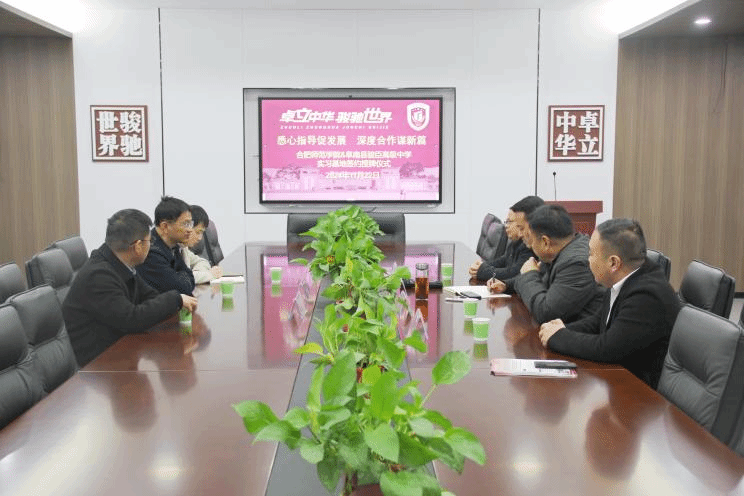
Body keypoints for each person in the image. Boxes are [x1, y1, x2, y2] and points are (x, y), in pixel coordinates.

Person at [538, 218, 680, 389]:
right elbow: (599, 321)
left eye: (591, 254)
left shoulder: (647, 295)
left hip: (640, 392)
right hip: (619, 379)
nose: (588, 260)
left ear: (613, 263)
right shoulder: (626, 276)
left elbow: (607, 349)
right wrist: (561, 329)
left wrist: (558, 337)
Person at [62, 209, 198, 367]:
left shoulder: (119, 263)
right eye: (150, 241)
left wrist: (173, 301)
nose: (151, 245)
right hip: (97, 366)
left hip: (117, 350)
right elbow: (132, 319)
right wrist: (175, 299)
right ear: (138, 246)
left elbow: (149, 295)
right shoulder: (99, 276)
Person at [490, 204, 604, 324]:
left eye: (531, 240)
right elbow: (539, 277)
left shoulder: (576, 265)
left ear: (545, 242)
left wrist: (529, 274)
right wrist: (506, 285)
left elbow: (546, 313)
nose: (529, 246)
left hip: (579, 332)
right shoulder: (560, 250)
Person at [469, 195, 544, 282]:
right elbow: (504, 260)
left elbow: (515, 273)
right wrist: (482, 266)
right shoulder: (517, 241)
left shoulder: (529, 246)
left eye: (510, 222)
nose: (506, 226)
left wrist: (483, 271)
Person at [138, 196, 196, 295]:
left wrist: (180, 275)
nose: (190, 230)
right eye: (185, 224)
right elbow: (181, 288)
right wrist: (181, 274)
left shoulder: (173, 244)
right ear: (165, 226)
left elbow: (190, 279)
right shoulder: (150, 251)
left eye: (190, 224)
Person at [182, 205, 223, 284]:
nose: (200, 238)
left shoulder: (183, 248)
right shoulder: (172, 249)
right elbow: (182, 279)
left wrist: (198, 274)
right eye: (198, 232)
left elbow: (203, 261)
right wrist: (209, 274)